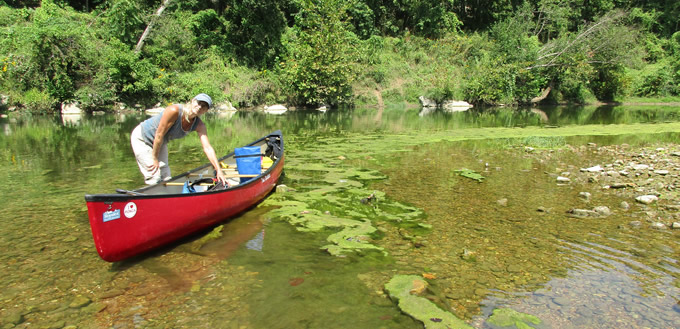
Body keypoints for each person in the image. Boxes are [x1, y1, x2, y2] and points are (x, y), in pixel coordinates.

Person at [130, 93, 228, 186]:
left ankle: (170, 200)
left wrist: (218, 170)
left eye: (204, 106)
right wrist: (155, 158)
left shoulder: (199, 125)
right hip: (142, 137)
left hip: (160, 142)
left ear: (205, 111)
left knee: (166, 177)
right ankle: (150, 201)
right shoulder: (174, 111)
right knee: (154, 176)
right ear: (193, 101)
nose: (199, 107)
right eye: (199, 103)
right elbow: (159, 134)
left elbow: (207, 148)